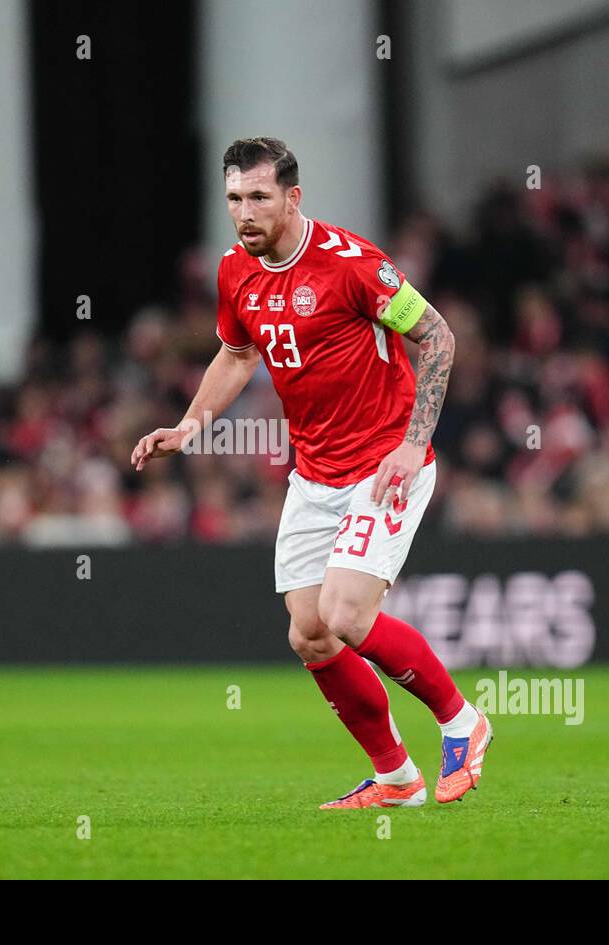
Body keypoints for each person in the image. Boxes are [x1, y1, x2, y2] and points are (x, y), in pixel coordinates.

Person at [132, 137, 491, 809]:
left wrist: (414, 444)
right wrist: (189, 425)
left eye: (260, 197)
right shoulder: (236, 271)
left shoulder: (354, 265)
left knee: (347, 614)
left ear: (293, 199)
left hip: (384, 464)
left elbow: (438, 338)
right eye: (235, 198)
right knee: (309, 632)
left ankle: (463, 723)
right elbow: (237, 355)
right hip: (314, 474)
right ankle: (396, 778)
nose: (245, 213)